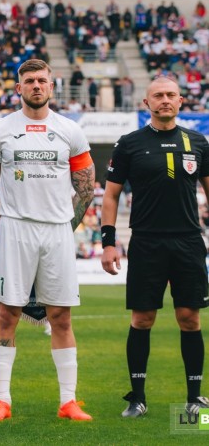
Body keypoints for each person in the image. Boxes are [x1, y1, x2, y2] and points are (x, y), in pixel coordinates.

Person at [0, 59, 95, 422]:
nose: (36, 85)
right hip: (15, 228)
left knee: (61, 316)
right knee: (7, 314)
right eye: (29, 80)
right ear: (19, 88)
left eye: (42, 80)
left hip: (57, 230)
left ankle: (68, 402)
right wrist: (3, 228)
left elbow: (86, 189)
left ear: (51, 86)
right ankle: (2, 401)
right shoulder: (1, 128)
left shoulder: (70, 130)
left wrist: (65, 226)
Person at [101, 76, 209, 418]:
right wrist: (108, 243)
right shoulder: (129, 143)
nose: (165, 100)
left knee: (189, 318)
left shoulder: (197, 141)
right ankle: (137, 398)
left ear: (180, 101)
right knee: (142, 318)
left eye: (171, 95)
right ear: (146, 103)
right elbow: (111, 195)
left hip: (188, 241)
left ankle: (195, 397)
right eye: (158, 95)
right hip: (146, 241)